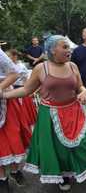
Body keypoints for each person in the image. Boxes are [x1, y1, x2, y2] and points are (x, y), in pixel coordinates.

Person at [0, 35, 86, 193]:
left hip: (74, 111)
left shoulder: (72, 66)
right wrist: (3, 95)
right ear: (52, 50)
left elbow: (80, 87)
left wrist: (84, 92)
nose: (69, 49)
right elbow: (26, 90)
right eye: (64, 47)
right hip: (50, 115)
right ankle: (64, 176)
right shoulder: (41, 68)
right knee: (59, 150)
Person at [0, 48, 31, 193]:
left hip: (3, 98)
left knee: (10, 139)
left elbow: (13, 73)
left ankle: (14, 171)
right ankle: (2, 179)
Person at [7, 49, 37, 130]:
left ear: (15, 57)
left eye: (9, 56)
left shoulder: (21, 66)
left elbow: (26, 79)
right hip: (11, 90)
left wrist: (28, 90)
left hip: (20, 90)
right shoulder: (7, 66)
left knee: (24, 113)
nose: (7, 58)